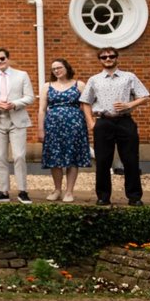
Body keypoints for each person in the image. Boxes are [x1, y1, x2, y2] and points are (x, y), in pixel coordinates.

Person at [80, 46, 150, 206]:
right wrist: (91, 122)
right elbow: (85, 102)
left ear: (117, 58)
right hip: (103, 122)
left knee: (131, 160)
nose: (108, 59)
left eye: (111, 56)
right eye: (104, 57)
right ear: (100, 60)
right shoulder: (94, 79)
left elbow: (145, 96)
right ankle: (103, 197)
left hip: (125, 121)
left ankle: (134, 197)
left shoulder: (129, 77)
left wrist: (128, 105)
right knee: (103, 161)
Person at [0, 48, 34, 204]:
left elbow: (30, 97)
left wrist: (14, 104)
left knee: (19, 156)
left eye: (2, 58)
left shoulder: (22, 75)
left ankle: (22, 191)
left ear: (7, 58)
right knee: (0, 158)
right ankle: (3, 191)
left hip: (16, 120)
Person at [38, 58, 92, 202]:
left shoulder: (79, 85)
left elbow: (87, 105)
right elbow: (42, 109)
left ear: (67, 68)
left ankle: (69, 191)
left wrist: (90, 122)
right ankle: (57, 189)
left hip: (75, 126)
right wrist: (40, 129)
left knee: (72, 157)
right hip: (53, 127)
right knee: (55, 158)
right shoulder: (47, 86)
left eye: (59, 67)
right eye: (54, 69)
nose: (56, 71)